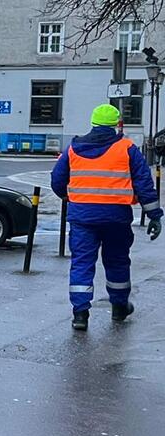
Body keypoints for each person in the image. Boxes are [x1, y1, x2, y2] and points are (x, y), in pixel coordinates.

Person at [50, 103, 161, 331]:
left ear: (93, 123)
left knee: (81, 263)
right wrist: (154, 215)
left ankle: (80, 315)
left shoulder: (73, 148)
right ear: (117, 125)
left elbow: (57, 181)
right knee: (117, 261)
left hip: (82, 217)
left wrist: (69, 197)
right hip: (116, 217)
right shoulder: (127, 148)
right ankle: (119, 308)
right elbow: (144, 183)